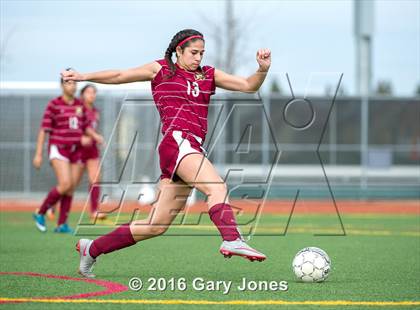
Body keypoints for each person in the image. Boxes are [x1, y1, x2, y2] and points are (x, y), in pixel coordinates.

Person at [61, 29, 271, 278]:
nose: (198, 58)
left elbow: (248, 86)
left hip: (190, 147)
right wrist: (85, 76)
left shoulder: (208, 74)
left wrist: (262, 70)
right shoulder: (161, 69)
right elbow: (120, 75)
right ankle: (232, 238)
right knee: (217, 187)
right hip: (177, 141)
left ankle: (91, 249)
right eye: (193, 52)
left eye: (202, 53)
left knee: (155, 225)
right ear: (178, 51)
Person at [32, 76, 90, 234]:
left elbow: (85, 127)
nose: (72, 86)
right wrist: (38, 154)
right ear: (61, 85)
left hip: (76, 150)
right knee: (65, 184)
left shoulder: (80, 105)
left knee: (71, 187)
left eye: (74, 83)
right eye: (68, 82)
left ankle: (62, 224)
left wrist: (92, 137)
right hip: (59, 148)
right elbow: (44, 130)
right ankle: (40, 212)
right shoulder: (54, 105)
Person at [78, 84, 106, 220]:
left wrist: (95, 138)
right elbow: (79, 127)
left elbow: (91, 128)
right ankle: (52, 206)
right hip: (77, 149)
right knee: (70, 183)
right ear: (82, 94)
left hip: (92, 149)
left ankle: (94, 211)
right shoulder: (78, 108)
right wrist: (90, 136)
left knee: (95, 178)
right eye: (88, 92)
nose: (91, 94)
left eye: (94, 92)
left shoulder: (95, 111)